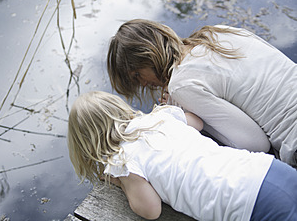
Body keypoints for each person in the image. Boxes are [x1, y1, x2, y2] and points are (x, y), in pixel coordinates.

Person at [67, 91, 297, 221]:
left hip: (249, 205)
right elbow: (196, 122)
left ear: (87, 143)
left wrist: (124, 184)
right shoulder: (159, 117)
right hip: (268, 169)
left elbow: (149, 209)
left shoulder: (122, 161)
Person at [107, 19, 297, 167]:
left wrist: (182, 112)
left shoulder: (181, 85)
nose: (144, 84)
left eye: (137, 75)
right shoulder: (217, 33)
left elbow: (256, 145)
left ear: (147, 54)